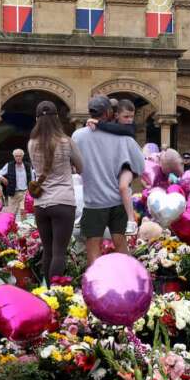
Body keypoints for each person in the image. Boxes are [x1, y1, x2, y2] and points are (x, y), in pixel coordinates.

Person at [72, 95, 144, 265]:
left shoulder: (78, 136)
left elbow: (74, 165)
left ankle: (95, 284)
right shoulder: (123, 137)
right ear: (109, 113)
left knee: (93, 246)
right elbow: (140, 165)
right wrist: (127, 175)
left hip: (93, 201)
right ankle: (129, 281)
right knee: (120, 244)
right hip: (118, 201)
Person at [28, 101, 84, 284]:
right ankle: (54, 292)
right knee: (60, 252)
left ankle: (46, 292)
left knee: (48, 250)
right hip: (63, 202)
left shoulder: (31, 144)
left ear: (36, 119)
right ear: (57, 118)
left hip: (41, 204)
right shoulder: (66, 141)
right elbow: (81, 167)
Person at [86, 99, 138, 235]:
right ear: (116, 115)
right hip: (114, 166)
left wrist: (98, 124)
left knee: (123, 186)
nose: (129, 120)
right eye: (126, 116)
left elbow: (117, 129)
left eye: (132, 116)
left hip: (128, 165)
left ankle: (131, 220)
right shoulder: (109, 125)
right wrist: (92, 123)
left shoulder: (129, 128)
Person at [0, 149, 35, 218]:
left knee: (23, 212)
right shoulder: (9, 165)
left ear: (22, 156)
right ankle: (11, 227)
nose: (18, 158)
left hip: (25, 193)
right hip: (13, 193)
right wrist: (2, 178)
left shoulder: (28, 166)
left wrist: (32, 191)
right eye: (16, 156)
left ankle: (24, 227)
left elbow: (32, 179)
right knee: (11, 214)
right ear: (14, 157)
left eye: (20, 156)